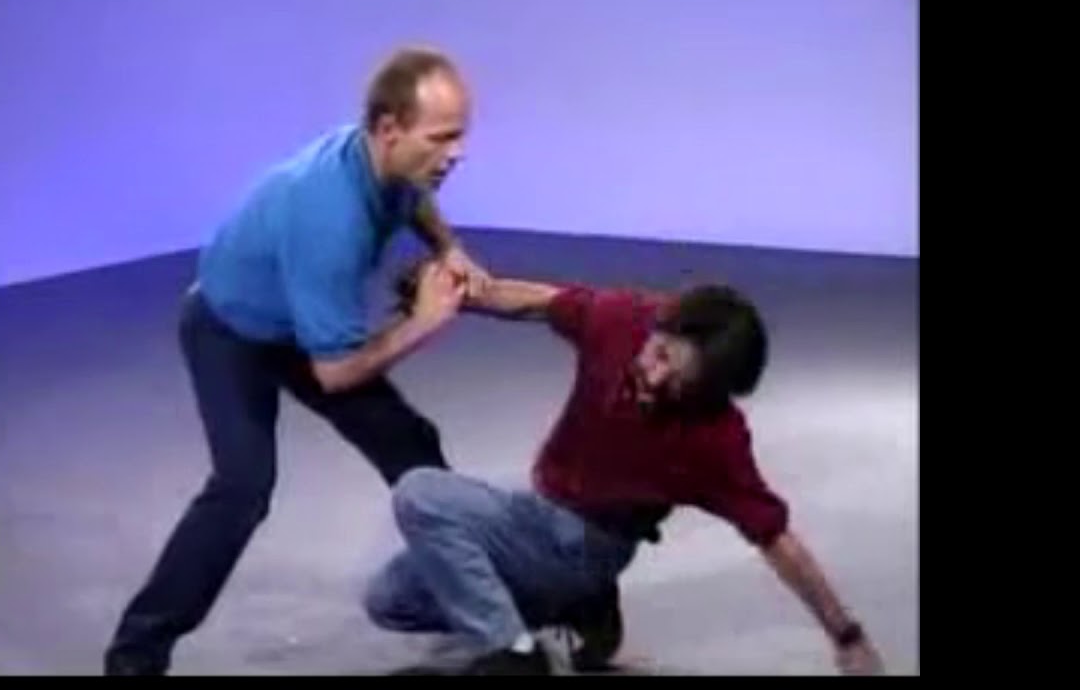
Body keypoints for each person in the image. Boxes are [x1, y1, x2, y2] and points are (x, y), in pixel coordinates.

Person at [104, 47, 490, 676]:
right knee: (242, 489)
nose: (457, 153)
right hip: (228, 330)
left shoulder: (386, 159)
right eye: (442, 137)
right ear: (389, 128)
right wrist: (423, 323)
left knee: (411, 445)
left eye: (460, 135)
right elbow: (335, 373)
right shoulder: (329, 219)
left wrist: (449, 247)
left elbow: (414, 194)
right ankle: (134, 656)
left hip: (298, 319)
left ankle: (472, 601)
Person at [364, 260, 886, 675]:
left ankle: (516, 656)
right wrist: (460, 293)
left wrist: (847, 635)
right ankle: (575, 609)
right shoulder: (620, 320)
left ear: (709, 391)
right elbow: (539, 303)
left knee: (422, 494)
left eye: (677, 381)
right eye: (659, 354)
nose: (654, 377)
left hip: (590, 546)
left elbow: (776, 538)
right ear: (658, 325)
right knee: (389, 600)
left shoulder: (716, 440)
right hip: (539, 509)